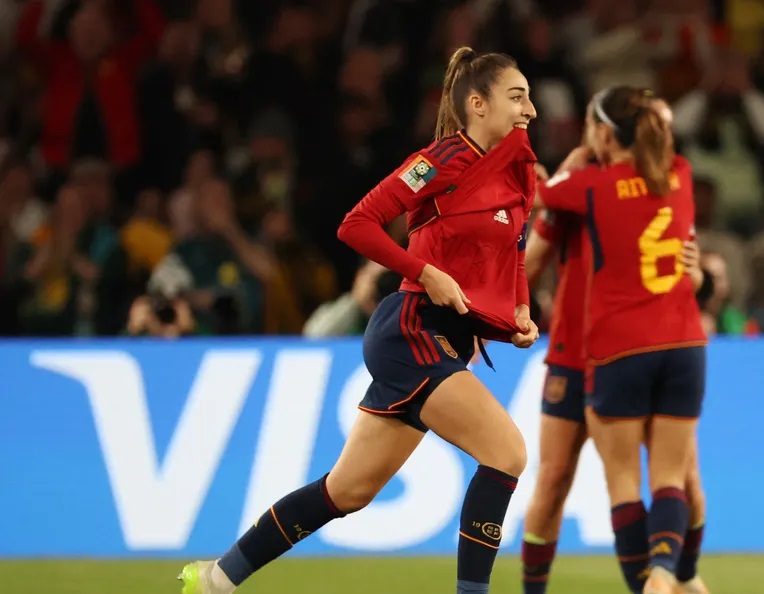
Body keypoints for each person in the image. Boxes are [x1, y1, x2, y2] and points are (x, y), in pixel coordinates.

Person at [178, 46, 540, 594]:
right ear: (477, 104)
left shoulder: (517, 176)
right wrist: (425, 270)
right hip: (414, 327)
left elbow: (513, 253)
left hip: (446, 340)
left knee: (347, 491)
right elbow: (358, 224)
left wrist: (520, 310)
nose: (529, 110)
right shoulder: (440, 161)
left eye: (529, 97)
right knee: (508, 452)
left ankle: (216, 579)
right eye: (516, 97)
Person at [536, 86, 708, 594]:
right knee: (673, 479)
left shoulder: (592, 186)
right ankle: (664, 571)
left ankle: (647, 587)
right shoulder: (680, 173)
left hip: (620, 347)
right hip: (683, 343)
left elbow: (543, 192)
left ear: (605, 134)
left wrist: (574, 161)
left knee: (623, 483)